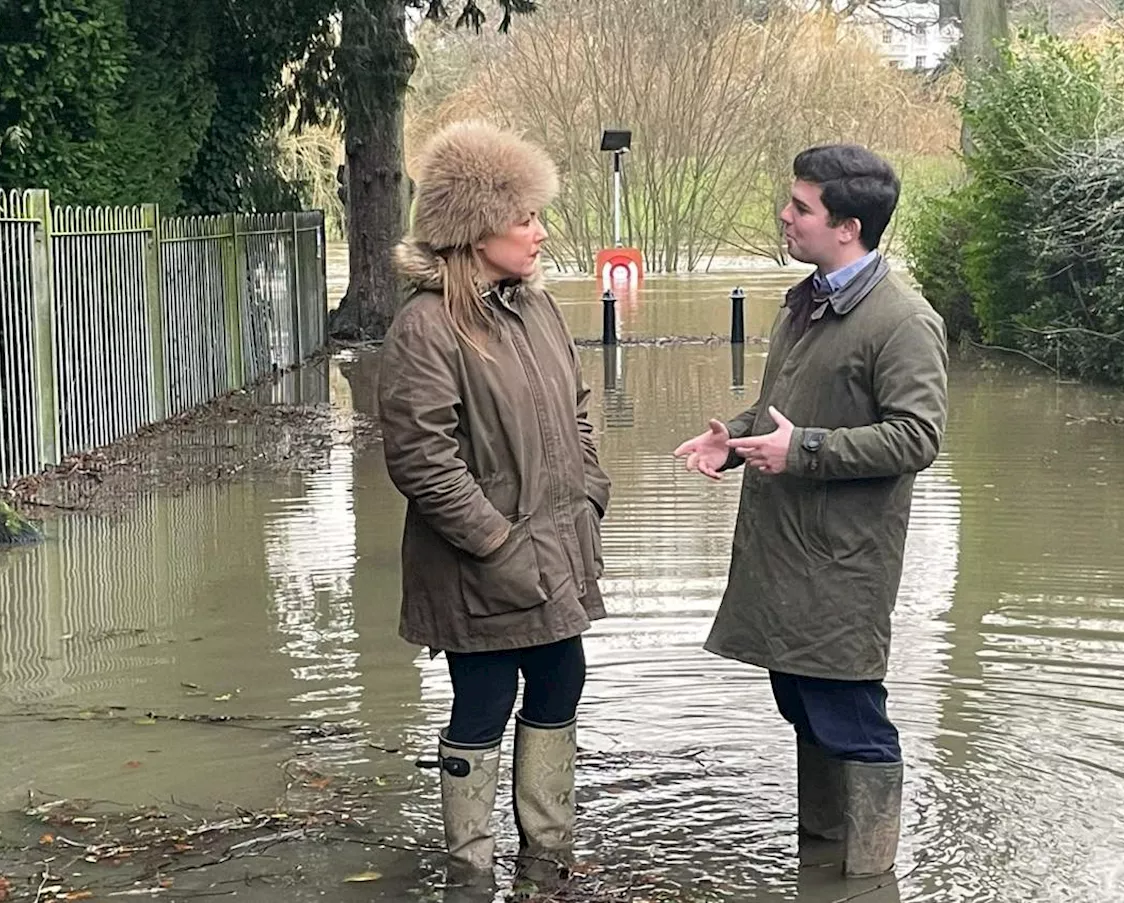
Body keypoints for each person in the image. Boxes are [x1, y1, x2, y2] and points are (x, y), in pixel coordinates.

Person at [673, 144, 948, 878]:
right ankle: (824, 860)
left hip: (841, 564)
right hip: (785, 552)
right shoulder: (811, 299)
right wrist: (733, 440)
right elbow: (783, 414)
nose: (785, 216)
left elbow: (918, 437)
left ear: (848, 227)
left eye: (801, 207)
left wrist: (807, 450)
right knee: (802, 701)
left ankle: (869, 880)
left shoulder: (903, 320)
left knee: (851, 717)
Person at [378, 121, 611, 891]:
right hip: (481, 567)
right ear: (476, 230)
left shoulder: (535, 309)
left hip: (558, 548)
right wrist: (496, 542)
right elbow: (421, 458)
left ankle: (546, 857)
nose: (541, 233)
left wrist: (590, 496)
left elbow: (577, 411)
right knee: (483, 696)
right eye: (526, 219)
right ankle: (470, 867)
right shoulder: (425, 327)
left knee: (561, 680)